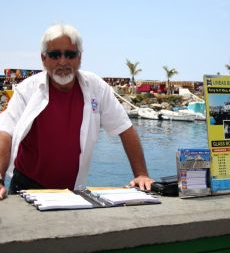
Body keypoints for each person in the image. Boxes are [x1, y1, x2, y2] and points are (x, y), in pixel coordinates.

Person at [0, 23, 154, 200]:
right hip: (26, 186)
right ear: (43, 58)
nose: (63, 61)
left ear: (79, 58)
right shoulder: (27, 89)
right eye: (55, 54)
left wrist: (141, 174)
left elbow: (125, 129)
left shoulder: (97, 87)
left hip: (73, 193)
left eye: (70, 54)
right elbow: (5, 132)